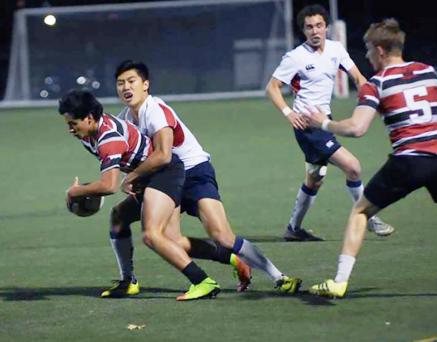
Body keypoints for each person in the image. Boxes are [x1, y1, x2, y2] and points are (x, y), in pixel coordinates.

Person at [307, 18, 437, 298]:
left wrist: (323, 124)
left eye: (367, 50)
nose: (365, 56)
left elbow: (357, 128)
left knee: (361, 211)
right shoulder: (430, 72)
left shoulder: (377, 83)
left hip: (409, 161)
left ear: (380, 50)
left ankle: (339, 281)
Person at [114, 60, 302, 294]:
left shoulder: (155, 110)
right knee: (170, 241)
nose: (125, 88)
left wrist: (131, 177)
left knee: (222, 235)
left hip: (194, 172)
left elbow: (163, 155)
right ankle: (234, 260)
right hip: (168, 179)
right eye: (120, 83)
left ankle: (279, 277)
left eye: (131, 81)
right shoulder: (125, 119)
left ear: (145, 85)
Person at [60, 89, 221, 301]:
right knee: (123, 219)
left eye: (73, 123)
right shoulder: (90, 132)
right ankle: (128, 281)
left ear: (89, 118)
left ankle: (202, 281)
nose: (70, 129)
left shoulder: (108, 139)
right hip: (149, 178)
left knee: (152, 235)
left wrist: (75, 192)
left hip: (166, 174)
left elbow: (109, 185)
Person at [266, 4, 394, 241]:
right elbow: (272, 87)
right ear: (303, 31)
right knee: (353, 167)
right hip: (308, 126)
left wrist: (370, 96)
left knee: (314, 178)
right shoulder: (295, 57)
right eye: (309, 27)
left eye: (318, 26)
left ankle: (293, 229)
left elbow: (357, 77)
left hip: (325, 121)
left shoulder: (336, 49)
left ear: (326, 27)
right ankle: (369, 218)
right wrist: (288, 112)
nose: (314, 31)